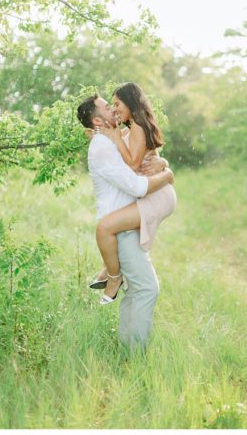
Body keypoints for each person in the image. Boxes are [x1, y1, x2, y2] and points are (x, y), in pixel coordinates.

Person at [77, 94, 174, 349]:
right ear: (98, 120)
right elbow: (136, 185)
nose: (113, 109)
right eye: (108, 107)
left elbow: (141, 158)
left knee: (138, 290)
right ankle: (135, 355)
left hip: (128, 221)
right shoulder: (102, 146)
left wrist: (162, 163)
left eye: (115, 104)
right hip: (122, 227)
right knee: (147, 289)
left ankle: (127, 348)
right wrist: (167, 175)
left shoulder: (108, 140)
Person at [88, 83, 177, 304]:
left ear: (130, 103)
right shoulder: (130, 128)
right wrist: (98, 132)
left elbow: (135, 163)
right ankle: (111, 270)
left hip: (156, 194)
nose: (115, 109)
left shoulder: (137, 126)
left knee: (106, 227)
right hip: (151, 191)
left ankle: (113, 277)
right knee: (115, 231)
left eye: (117, 104)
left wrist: (117, 138)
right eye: (112, 105)